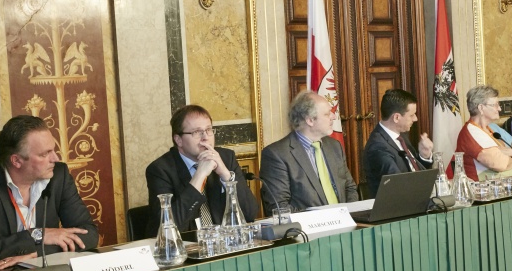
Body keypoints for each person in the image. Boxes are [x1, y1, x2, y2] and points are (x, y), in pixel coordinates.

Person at [0, 115, 98, 271]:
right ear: (16, 161)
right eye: (44, 154)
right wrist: (35, 235)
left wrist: (36, 254)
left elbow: (88, 235)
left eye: (53, 150)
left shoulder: (59, 176)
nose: (55, 158)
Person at [145, 105, 258, 235]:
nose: (205, 137)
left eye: (208, 130)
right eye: (197, 132)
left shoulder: (226, 158)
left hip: (224, 245)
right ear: (178, 140)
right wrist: (200, 175)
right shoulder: (160, 170)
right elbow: (166, 229)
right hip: (188, 248)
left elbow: (250, 213)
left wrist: (226, 176)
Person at [259, 91, 358, 212]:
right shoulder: (277, 154)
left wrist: (349, 214)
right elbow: (279, 207)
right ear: (310, 120)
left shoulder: (334, 146)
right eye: (327, 114)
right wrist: (324, 219)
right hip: (308, 229)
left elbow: (350, 187)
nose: (334, 116)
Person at [363, 88, 434, 197]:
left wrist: (424, 156)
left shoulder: (401, 137)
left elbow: (414, 171)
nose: (415, 119)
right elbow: (399, 185)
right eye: (411, 115)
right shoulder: (378, 147)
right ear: (396, 117)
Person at [456, 85, 512, 180]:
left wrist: (509, 152)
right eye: (495, 105)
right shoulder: (471, 132)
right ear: (481, 108)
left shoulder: (492, 128)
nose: (499, 109)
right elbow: (501, 164)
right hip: (487, 191)